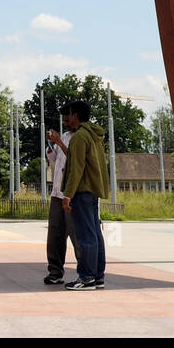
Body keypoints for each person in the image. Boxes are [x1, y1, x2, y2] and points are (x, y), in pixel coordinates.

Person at [60, 100, 109, 290]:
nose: (68, 118)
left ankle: (87, 277)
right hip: (92, 191)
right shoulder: (94, 135)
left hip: (81, 191)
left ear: (76, 115)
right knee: (95, 234)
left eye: (70, 114)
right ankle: (97, 276)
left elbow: (76, 168)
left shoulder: (80, 137)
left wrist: (67, 195)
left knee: (86, 236)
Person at [43, 103, 83, 285]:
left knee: (77, 234)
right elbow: (55, 159)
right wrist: (51, 145)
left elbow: (75, 159)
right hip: (57, 191)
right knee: (55, 234)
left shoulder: (82, 137)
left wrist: (59, 142)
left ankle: (85, 272)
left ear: (76, 116)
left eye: (68, 120)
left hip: (73, 193)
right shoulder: (66, 136)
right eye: (64, 121)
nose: (66, 124)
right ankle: (55, 271)